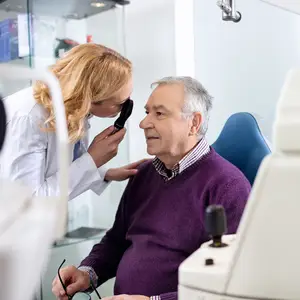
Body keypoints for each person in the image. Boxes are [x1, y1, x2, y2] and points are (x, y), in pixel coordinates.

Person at [52, 76, 251, 300]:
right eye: (147, 112)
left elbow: (232, 284)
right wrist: (88, 273)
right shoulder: (144, 174)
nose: (143, 123)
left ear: (194, 123)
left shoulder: (228, 187)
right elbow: (116, 241)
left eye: (159, 113)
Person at [0, 43, 144, 199]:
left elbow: (65, 162)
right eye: (121, 103)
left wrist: (106, 173)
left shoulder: (72, 108)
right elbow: (28, 201)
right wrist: (93, 160)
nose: (126, 108)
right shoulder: (28, 118)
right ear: (91, 99)